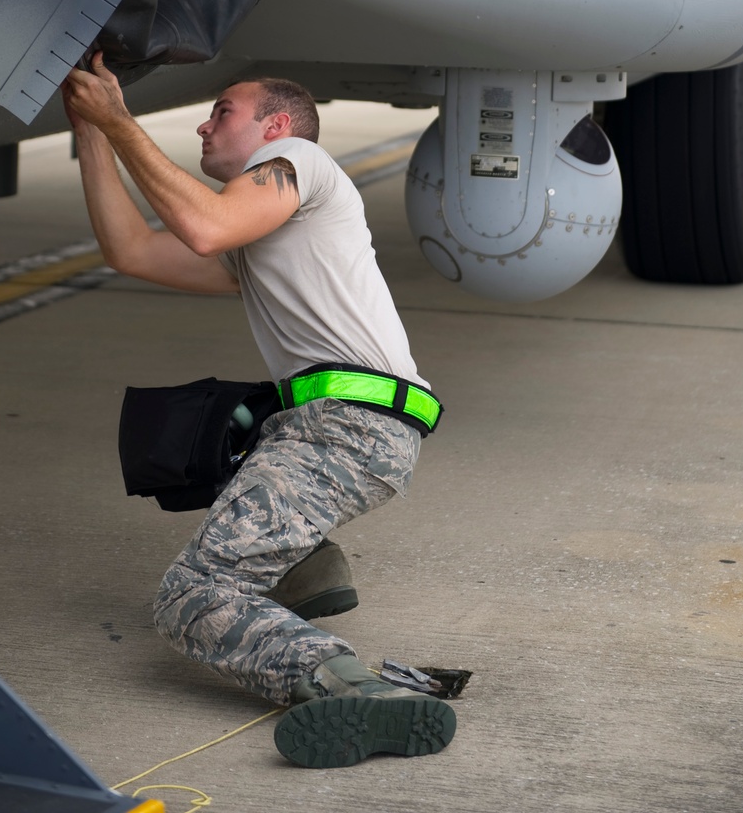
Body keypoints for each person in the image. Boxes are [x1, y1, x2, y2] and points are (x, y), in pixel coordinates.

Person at [61, 54, 455, 769]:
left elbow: (204, 227)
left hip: (346, 428)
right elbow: (129, 249)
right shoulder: (263, 236)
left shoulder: (296, 158)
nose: (205, 125)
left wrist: (120, 118)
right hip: (332, 428)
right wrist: (92, 130)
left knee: (193, 593)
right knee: (214, 437)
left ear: (274, 125)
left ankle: (353, 687)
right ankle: (306, 568)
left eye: (223, 112)